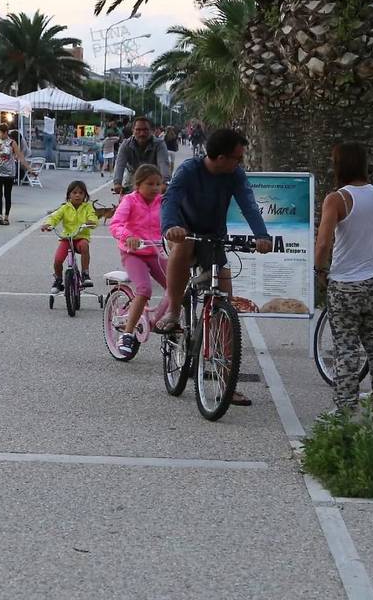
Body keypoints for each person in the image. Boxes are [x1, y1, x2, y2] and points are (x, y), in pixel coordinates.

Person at [157, 129, 273, 405]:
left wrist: (262, 235)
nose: (240, 163)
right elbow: (169, 199)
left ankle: (227, 383)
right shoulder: (189, 170)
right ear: (220, 158)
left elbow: (248, 204)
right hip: (181, 231)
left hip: (213, 237)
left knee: (226, 302)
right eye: (237, 158)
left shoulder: (234, 174)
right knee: (183, 245)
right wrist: (170, 226)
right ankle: (174, 310)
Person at [314, 142, 373, 415]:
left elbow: (322, 244)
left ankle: (346, 410)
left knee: (346, 349)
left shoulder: (337, 199)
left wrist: (320, 271)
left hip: (344, 284)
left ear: (338, 166)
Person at [109, 163, 168, 360]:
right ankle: (127, 333)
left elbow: (176, 221)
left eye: (158, 184)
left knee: (177, 287)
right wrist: (128, 236)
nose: (155, 188)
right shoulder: (130, 201)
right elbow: (115, 224)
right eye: (150, 184)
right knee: (144, 290)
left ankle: (163, 321)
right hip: (134, 253)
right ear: (138, 185)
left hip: (156, 252)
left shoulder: (163, 202)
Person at [41, 179, 98, 294]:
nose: (77, 195)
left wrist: (91, 221)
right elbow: (54, 217)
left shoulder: (87, 207)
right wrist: (48, 224)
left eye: (81, 193)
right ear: (69, 195)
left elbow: (93, 217)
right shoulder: (65, 208)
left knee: (85, 245)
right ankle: (58, 279)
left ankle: (85, 273)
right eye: (74, 193)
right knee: (57, 260)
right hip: (67, 238)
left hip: (81, 237)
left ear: (85, 195)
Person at [112, 116, 172, 193]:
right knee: (124, 202)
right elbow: (120, 164)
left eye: (145, 130)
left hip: (153, 178)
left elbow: (163, 163)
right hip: (133, 178)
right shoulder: (125, 145)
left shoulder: (159, 144)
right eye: (138, 130)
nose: (142, 133)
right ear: (133, 130)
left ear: (151, 131)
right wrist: (117, 183)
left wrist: (165, 182)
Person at [0, 123, 22, 225]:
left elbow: (19, 155)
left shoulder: (12, 143)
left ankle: (6, 216)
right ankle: (0, 215)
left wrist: (29, 168)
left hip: (8, 173)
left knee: (7, 195)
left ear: (5, 132)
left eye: (0, 133)